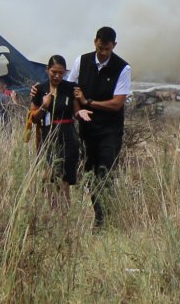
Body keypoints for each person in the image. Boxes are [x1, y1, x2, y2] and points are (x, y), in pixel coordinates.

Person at [68, 26, 131, 227]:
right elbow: (72, 89)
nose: (103, 52)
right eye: (100, 47)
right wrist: (78, 111)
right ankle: (97, 216)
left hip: (110, 131)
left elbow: (117, 103)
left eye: (107, 49)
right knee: (89, 173)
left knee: (104, 172)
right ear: (95, 41)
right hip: (87, 130)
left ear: (114, 46)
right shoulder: (82, 61)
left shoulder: (123, 68)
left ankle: (104, 220)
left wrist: (89, 103)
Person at [31, 55, 91, 202]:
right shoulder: (39, 89)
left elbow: (76, 111)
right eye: (53, 72)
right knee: (49, 175)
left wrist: (80, 112)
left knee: (64, 177)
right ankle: (50, 209)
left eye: (61, 72)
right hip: (47, 135)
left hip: (68, 135)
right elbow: (33, 117)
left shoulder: (70, 88)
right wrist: (44, 106)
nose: (57, 76)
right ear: (47, 70)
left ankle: (64, 212)